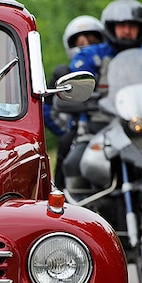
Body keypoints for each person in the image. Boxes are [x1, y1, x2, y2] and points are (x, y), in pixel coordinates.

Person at [46, 15, 104, 188]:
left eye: (91, 38)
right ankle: (60, 195)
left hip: (114, 124)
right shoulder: (64, 74)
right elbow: (47, 108)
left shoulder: (113, 65)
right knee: (66, 145)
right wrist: (65, 130)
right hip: (83, 129)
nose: (85, 43)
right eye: (79, 41)